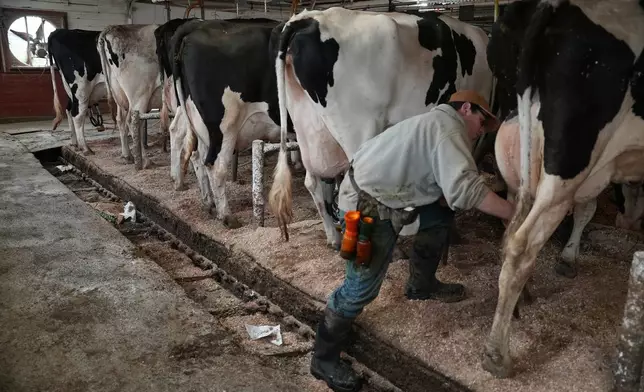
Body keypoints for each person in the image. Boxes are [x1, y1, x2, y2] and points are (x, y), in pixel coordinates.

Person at [309, 90, 516, 392]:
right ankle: (323, 359)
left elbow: (448, 190)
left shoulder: (434, 124)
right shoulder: (448, 129)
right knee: (360, 288)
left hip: (375, 193)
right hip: (366, 207)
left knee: (440, 213)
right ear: (467, 109)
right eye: (482, 122)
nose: (480, 131)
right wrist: (516, 213)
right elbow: (465, 190)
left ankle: (421, 284)